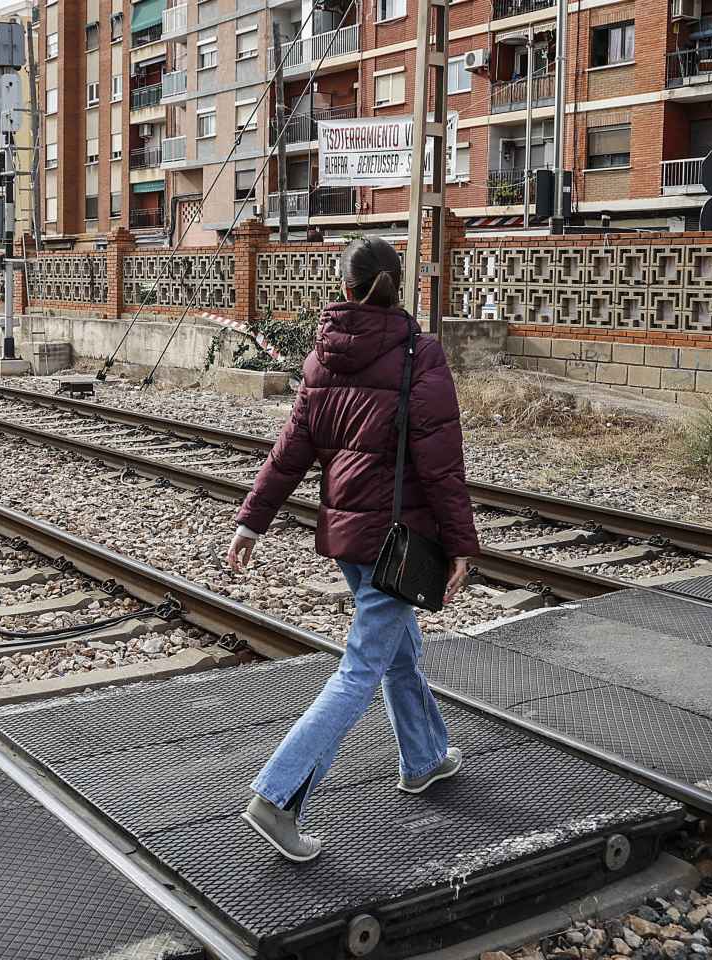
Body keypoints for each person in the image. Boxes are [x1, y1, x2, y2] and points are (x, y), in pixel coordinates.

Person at [225, 236, 479, 862]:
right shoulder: (420, 356)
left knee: (397, 650)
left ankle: (423, 759)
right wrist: (462, 547)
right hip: (400, 541)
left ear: (343, 288)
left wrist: (252, 521)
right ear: (399, 284)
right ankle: (278, 795)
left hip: (350, 538)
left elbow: (290, 453)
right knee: (360, 668)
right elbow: (443, 468)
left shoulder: (323, 357)